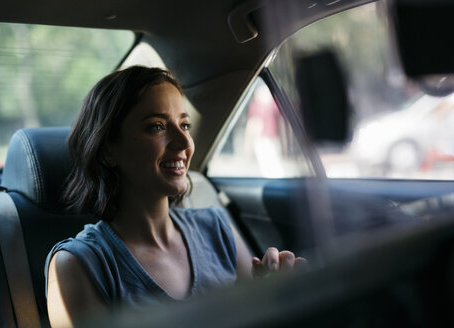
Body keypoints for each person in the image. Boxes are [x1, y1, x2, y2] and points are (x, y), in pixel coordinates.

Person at [45, 65, 305, 327]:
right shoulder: (78, 264)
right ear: (108, 150)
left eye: (185, 125)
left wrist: (275, 297)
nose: (184, 142)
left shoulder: (216, 227)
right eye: (157, 126)